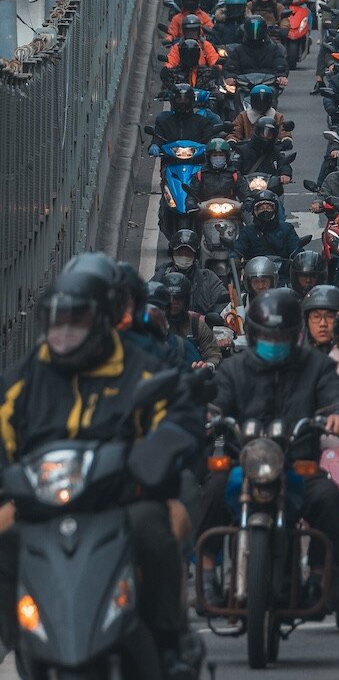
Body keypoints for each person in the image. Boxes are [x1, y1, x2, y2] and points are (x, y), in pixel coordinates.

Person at [0, 256, 203, 676]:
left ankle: (169, 641)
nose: (65, 332)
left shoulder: (141, 369)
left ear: (103, 320)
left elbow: (179, 418)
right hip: (41, 504)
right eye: (57, 322)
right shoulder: (24, 379)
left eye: (77, 321)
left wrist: (152, 458)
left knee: (153, 529)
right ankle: (19, 637)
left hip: (121, 499)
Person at [198, 289, 339, 606]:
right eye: (268, 336)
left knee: (330, 498)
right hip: (242, 464)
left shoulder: (317, 366)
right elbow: (216, 401)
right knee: (211, 490)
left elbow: (335, 397)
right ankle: (207, 570)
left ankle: (321, 575)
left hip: (298, 466)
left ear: (295, 335)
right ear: (255, 335)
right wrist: (208, 415)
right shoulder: (233, 369)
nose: (274, 342)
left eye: (281, 336)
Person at [232, 194, 301, 262]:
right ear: (255, 212)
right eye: (261, 209)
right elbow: (238, 249)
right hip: (255, 269)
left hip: (282, 268)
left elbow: (296, 250)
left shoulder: (287, 228)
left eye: (268, 208)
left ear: (274, 210)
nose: (265, 211)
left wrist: (299, 259)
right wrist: (234, 258)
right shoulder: (248, 231)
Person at [302, 284, 339, 354]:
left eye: (330, 317)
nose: (323, 324)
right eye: (316, 317)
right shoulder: (295, 355)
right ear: (307, 321)